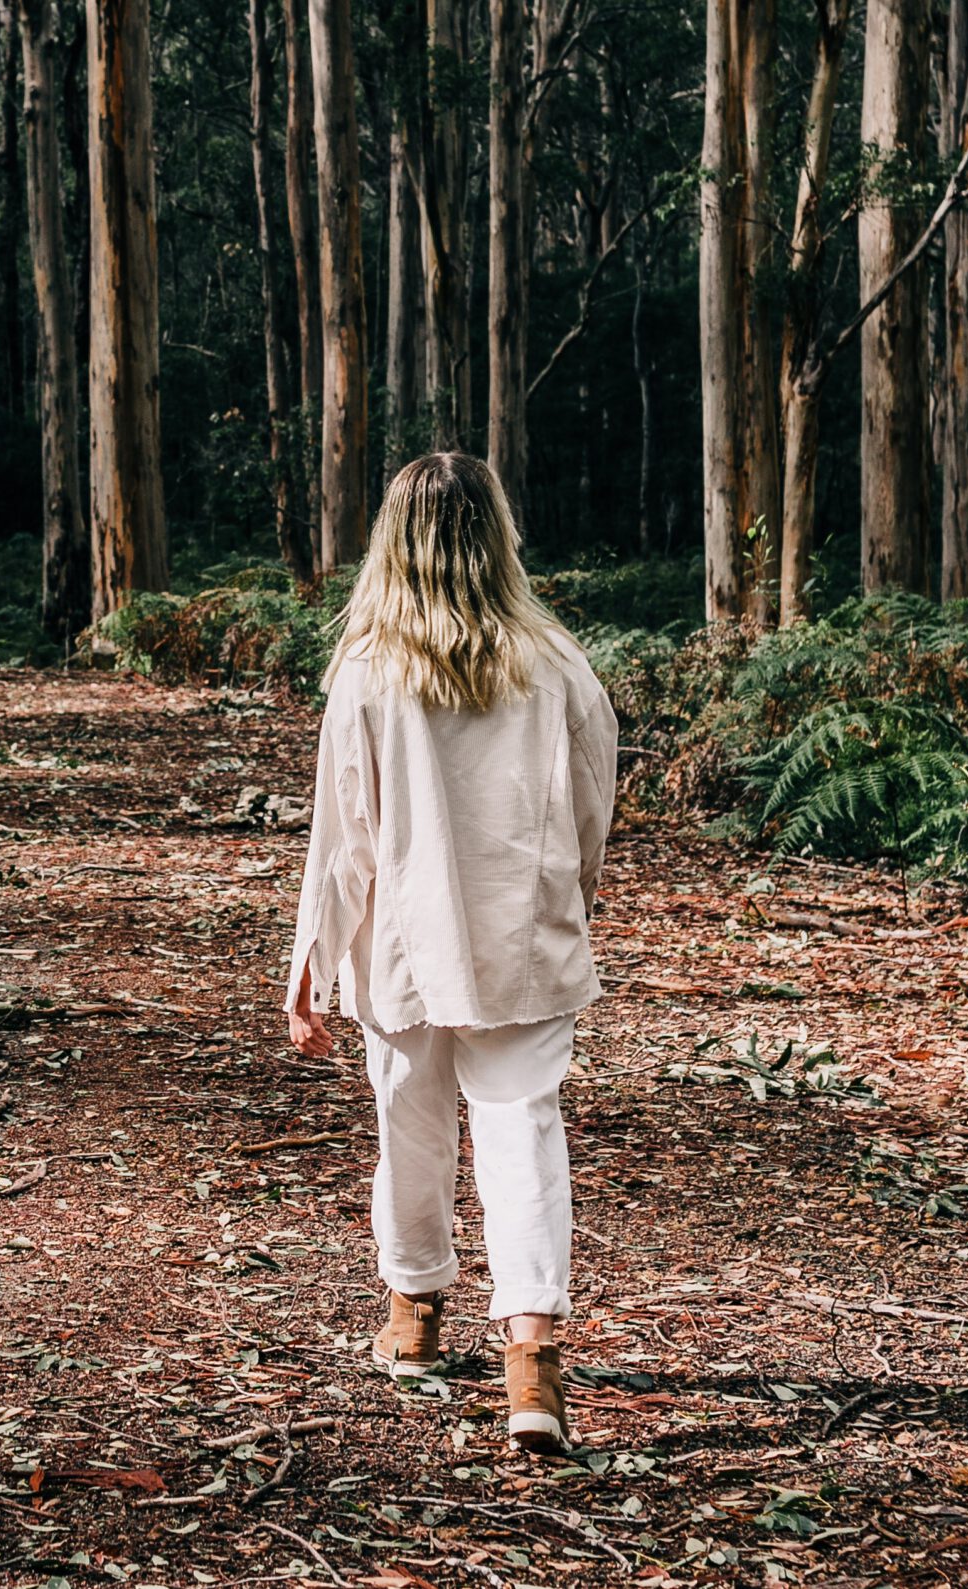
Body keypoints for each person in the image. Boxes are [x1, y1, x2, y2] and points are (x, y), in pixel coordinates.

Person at [283, 453, 616, 1454]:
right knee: (522, 1136)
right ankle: (529, 1365)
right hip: (522, 935)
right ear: (495, 534)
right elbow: (592, 799)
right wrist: (568, 897)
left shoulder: (370, 668)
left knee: (410, 1130)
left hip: (403, 942)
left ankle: (414, 1318)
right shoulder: (553, 659)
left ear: (394, 544)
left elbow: (342, 837)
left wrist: (312, 961)